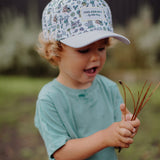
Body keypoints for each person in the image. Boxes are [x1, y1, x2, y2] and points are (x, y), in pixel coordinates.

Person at [34, 0, 140, 160]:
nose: (96, 56)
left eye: (101, 48)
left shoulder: (109, 89)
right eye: (83, 50)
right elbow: (61, 153)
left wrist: (124, 131)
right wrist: (105, 137)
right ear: (55, 52)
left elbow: (115, 140)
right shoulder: (49, 99)